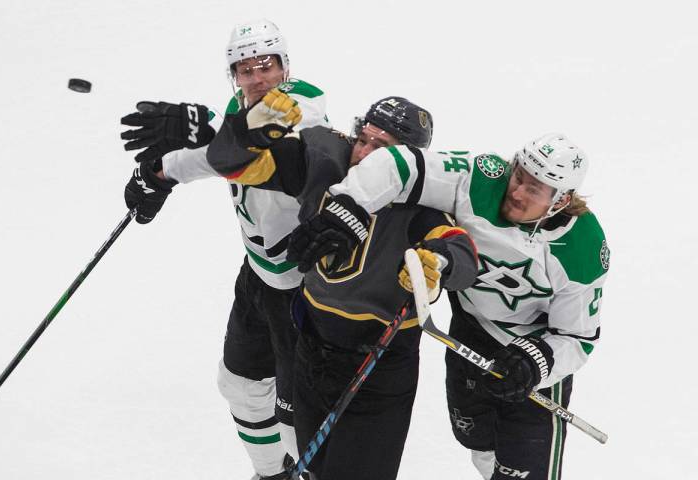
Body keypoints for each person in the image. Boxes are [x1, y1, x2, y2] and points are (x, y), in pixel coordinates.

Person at [288, 133, 609, 480]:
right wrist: (350, 207)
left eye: (534, 190)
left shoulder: (583, 247)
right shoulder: (479, 179)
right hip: (468, 335)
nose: (516, 192)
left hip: (530, 359)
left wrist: (538, 361)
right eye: (519, 177)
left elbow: (577, 337)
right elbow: (398, 163)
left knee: (526, 468)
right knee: (478, 440)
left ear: (560, 200)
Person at [207, 91, 479, 480]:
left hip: (377, 366)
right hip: (313, 351)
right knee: (311, 469)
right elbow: (232, 162)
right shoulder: (327, 168)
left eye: (381, 148)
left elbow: (463, 253)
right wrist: (249, 127)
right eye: (363, 139)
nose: (363, 154)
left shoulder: (422, 208)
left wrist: (437, 262)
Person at [119, 19, 330, 480]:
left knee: (302, 423)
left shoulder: (305, 105)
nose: (256, 78)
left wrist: (208, 126)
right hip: (258, 276)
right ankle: (270, 474)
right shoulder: (241, 112)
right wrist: (159, 173)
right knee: (239, 386)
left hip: (306, 293)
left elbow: (264, 142)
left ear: (284, 67)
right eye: (244, 69)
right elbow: (225, 151)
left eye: (265, 66)